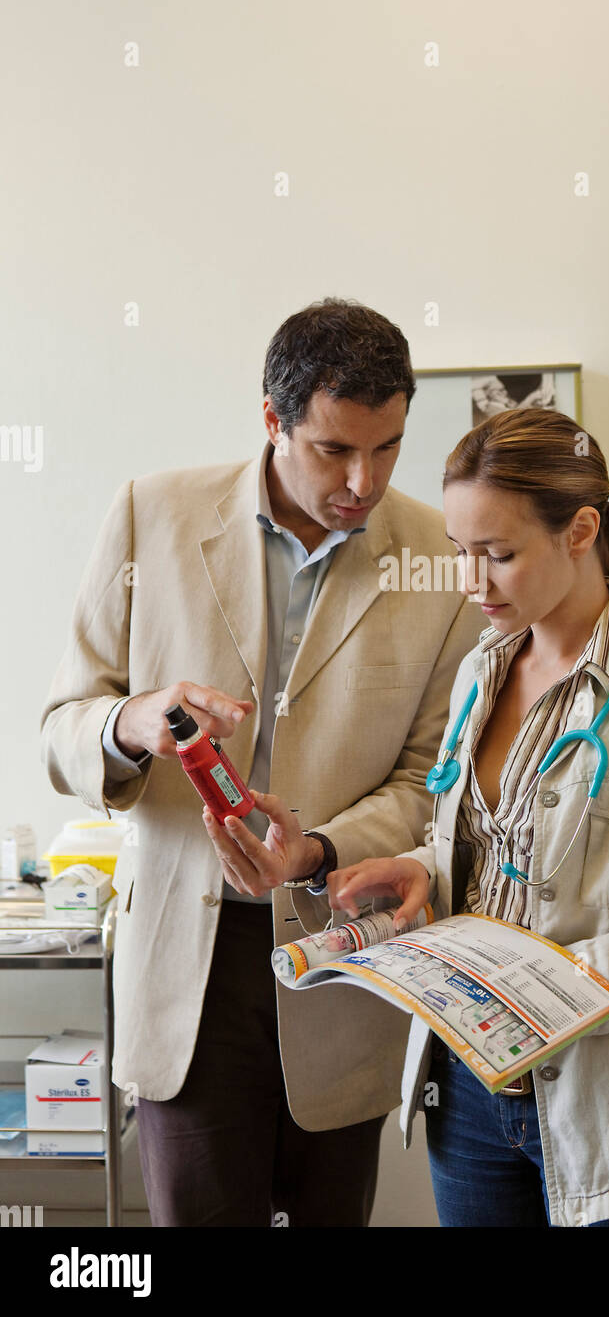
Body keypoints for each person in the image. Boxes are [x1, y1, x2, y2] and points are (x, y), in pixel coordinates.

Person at [39, 297, 484, 1227]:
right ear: (273, 420)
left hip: (341, 946)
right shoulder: (149, 512)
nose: (363, 480)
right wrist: (130, 722)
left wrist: (317, 848)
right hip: (187, 965)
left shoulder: (440, 561)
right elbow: (61, 725)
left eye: (389, 446)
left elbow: (429, 783)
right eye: (335, 449)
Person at [323, 406, 609, 1227]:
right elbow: (498, 844)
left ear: (580, 531)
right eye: (461, 553)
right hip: (469, 1092)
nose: (472, 582)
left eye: (498, 554)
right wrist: (424, 866)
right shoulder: (479, 675)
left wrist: (553, 992)